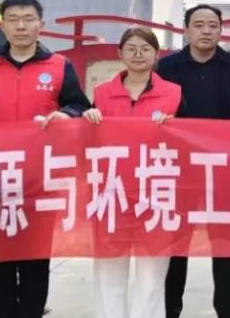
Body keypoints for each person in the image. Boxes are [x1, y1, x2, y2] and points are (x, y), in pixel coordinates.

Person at [0, 0, 90, 318]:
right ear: (2, 25)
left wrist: (66, 114)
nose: (21, 26)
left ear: (40, 24)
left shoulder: (59, 65)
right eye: (13, 19)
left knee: (35, 260)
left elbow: (79, 104)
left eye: (28, 19)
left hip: (39, 180)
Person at [158, 4, 230, 318]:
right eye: (199, 24)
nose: (206, 31)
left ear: (221, 30)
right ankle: (170, 309)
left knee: (226, 246)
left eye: (213, 25)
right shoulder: (166, 68)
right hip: (178, 172)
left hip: (225, 172)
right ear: (186, 30)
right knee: (175, 245)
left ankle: (229, 311)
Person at [84, 26, 181, 318]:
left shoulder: (174, 93)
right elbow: (86, 141)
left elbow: (189, 142)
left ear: (156, 54)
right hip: (112, 193)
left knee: (151, 275)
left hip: (156, 193)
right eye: (131, 48)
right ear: (120, 53)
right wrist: (88, 118)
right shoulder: (102, 94)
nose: (138, 54)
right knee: (109, 271)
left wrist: (174, 126)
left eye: (145, 49)